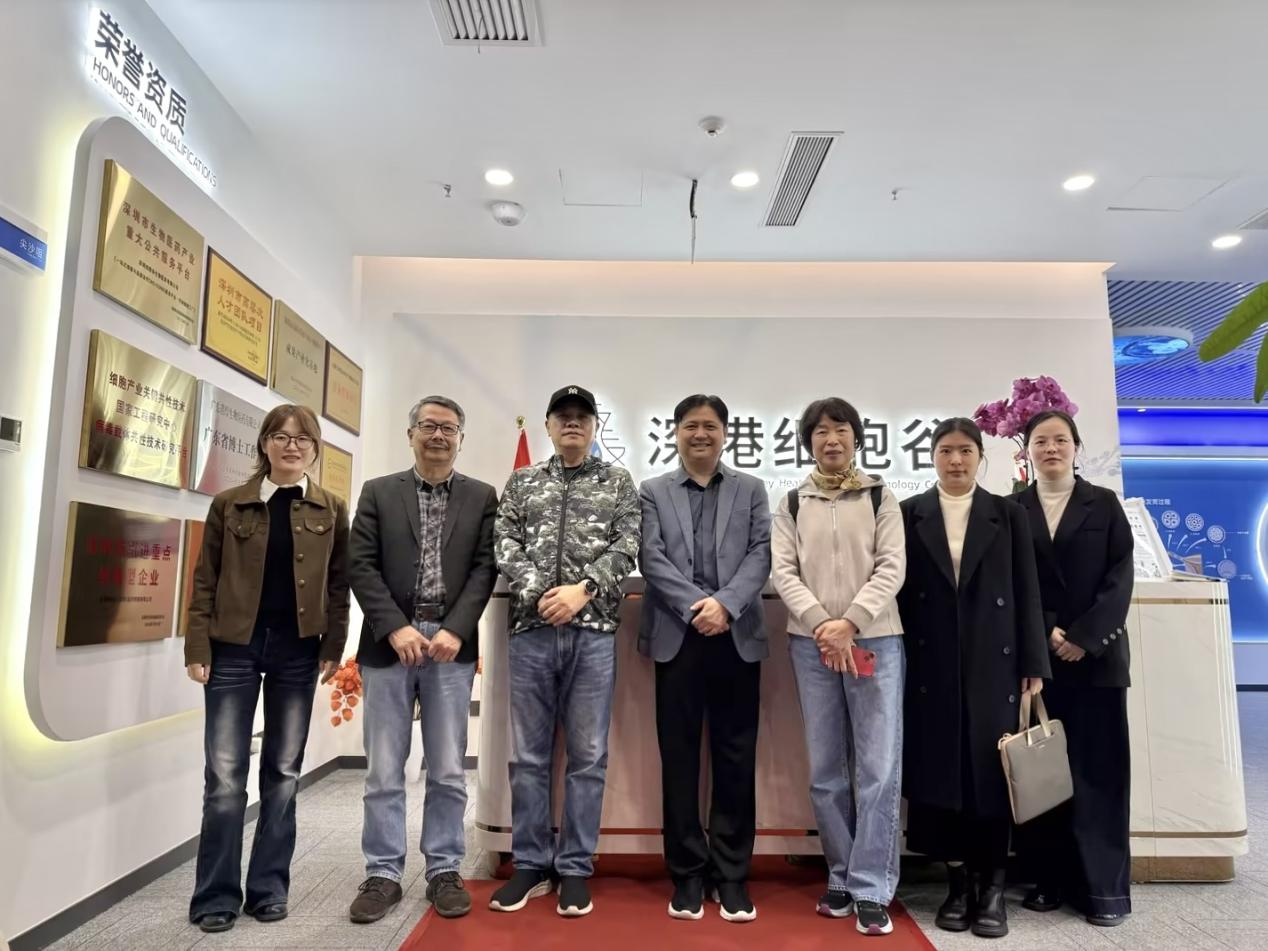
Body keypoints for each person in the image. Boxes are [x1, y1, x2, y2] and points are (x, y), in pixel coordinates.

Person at [185, 405, 349, 933]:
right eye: (280, 436)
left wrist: (334, 643)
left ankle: (268, 889)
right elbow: (205, 578)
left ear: (314, 448)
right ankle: (215, 895)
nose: (291, 446)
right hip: (233, 647)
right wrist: (197, 645)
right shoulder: (229, 503)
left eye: (302, 439)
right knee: (225, 778)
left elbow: (339, 583)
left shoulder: (330, 508)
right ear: (264, 444)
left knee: (282, 774)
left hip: (298, 650)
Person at [490, 384, 642, 918]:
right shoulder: (523, 481)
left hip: (593, 632)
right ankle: (531, 864)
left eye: (582, 416)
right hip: (531, 630)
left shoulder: (617, 482)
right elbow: (504, 539)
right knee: (528, 757)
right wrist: (539, 590)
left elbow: (628, 543)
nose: (572, 423)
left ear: (595, 426)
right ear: (549, 426)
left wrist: (583, 591)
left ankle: (575, 867)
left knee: (588, 757)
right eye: (563, 416)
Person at [346, 396, 498, 923]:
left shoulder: (481, 496)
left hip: (450, 646)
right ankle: (383, 874)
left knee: (449, 768)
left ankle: (444, 870)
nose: (438, 435)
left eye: (449, 428)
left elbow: (485, 568)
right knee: (384, 769)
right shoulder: (379, 492)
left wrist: (457, 628)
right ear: (410, 433)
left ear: (461, 439)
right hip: (390, 642)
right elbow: (360, 564)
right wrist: (395, 626)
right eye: (429, 426)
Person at [897, 417, 1049, 938]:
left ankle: (993, 888)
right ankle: (957, 884)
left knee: (991, 775)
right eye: (946, 450)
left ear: (980, 457)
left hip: (994, 662)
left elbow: (1028, 591)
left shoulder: (1008, 513)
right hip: (931, 664)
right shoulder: (910, 513)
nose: (955, 460)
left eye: (965, 450)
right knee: (942, 776)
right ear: (932, 457)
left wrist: (1033, 663)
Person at [770, 397, 906, 937]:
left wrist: (850, 622)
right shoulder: (791, 501)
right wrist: (821, 624)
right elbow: (783, 571)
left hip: (876, 641)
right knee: (826, 768)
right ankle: (841, 875)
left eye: (841, 429)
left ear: (856, 438)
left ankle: (871, 885)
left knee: (877, 767)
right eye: (821, 431)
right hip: (811, 645)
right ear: (808, 441)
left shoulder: (879, 496)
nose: (831, 439)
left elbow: (892, 566)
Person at [638, 394, 772, 923]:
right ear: (675, 433)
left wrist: (726, 605)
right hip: (678, 634)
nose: (700, 434)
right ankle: (688, 873)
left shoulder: (751, 488)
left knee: (736, 757)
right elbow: (651, 556)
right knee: (679, 758)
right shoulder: (652, 491)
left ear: (725, 433)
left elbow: (761, 553)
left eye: (710, 425)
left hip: (736, 634)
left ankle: (732, 875)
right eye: (691, 425)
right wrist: (698, 606)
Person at [1016, 410, 1134, 927]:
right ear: (1026, 451)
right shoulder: (1013, 508)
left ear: (1076, 447)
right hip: (1040, 663)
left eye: (1060, 440)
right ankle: (1048, 880)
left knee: (1100, 773)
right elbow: (1011, 581)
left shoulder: (1103, 504)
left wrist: (1084, 638)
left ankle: (1104, 891)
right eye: (1040, 441)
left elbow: (1120, 577)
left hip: (1097, 662)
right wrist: (1045, 631)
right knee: (1044, 776)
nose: (1051, 449)